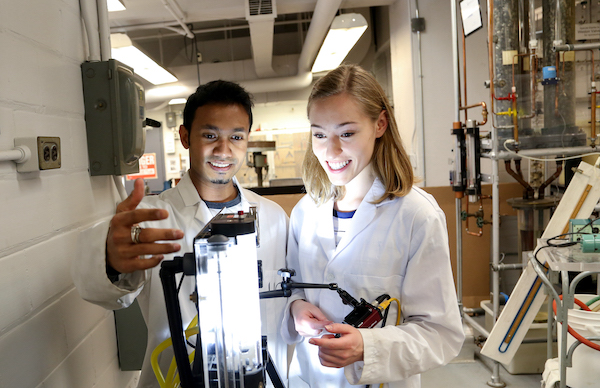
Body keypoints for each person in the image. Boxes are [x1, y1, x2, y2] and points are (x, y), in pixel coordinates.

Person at [72, 80, 289, 388]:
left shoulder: (273, 217)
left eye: (236, 137)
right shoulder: (151, 218)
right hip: (177, 378)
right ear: (185, 137)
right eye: (210, 135)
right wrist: (109, 258)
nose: (223, 150)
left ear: (247, 140)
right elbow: (98, 291)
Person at [280, 65, 465, 388]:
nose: (331, 150)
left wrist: (367, 347)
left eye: (347, 133)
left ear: (380, 124)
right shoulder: (304, 212)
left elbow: (441, 333)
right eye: (319, 134)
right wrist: (296, 308)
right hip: (311, 380)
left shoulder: (416, 215)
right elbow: (293, 289)